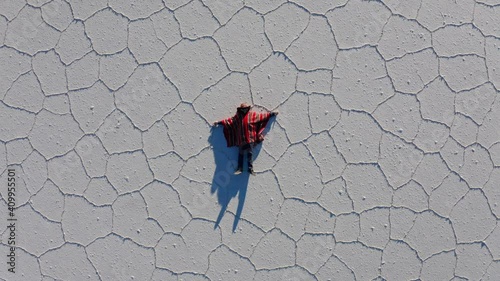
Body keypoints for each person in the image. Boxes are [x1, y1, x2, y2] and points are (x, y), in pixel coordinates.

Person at [213, 103, 278, 175]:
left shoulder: (253, 115)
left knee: (249, 154)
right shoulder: (237, 117)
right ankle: (240, 168)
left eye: (245, 108)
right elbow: (229, 121)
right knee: (241, 154)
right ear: (240, 109)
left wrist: (272, 114)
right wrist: (219, 123)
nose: (244, 110)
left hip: (250, 139)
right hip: (241, 140)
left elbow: (262, 116)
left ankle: (250, 169)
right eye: (242, 109)